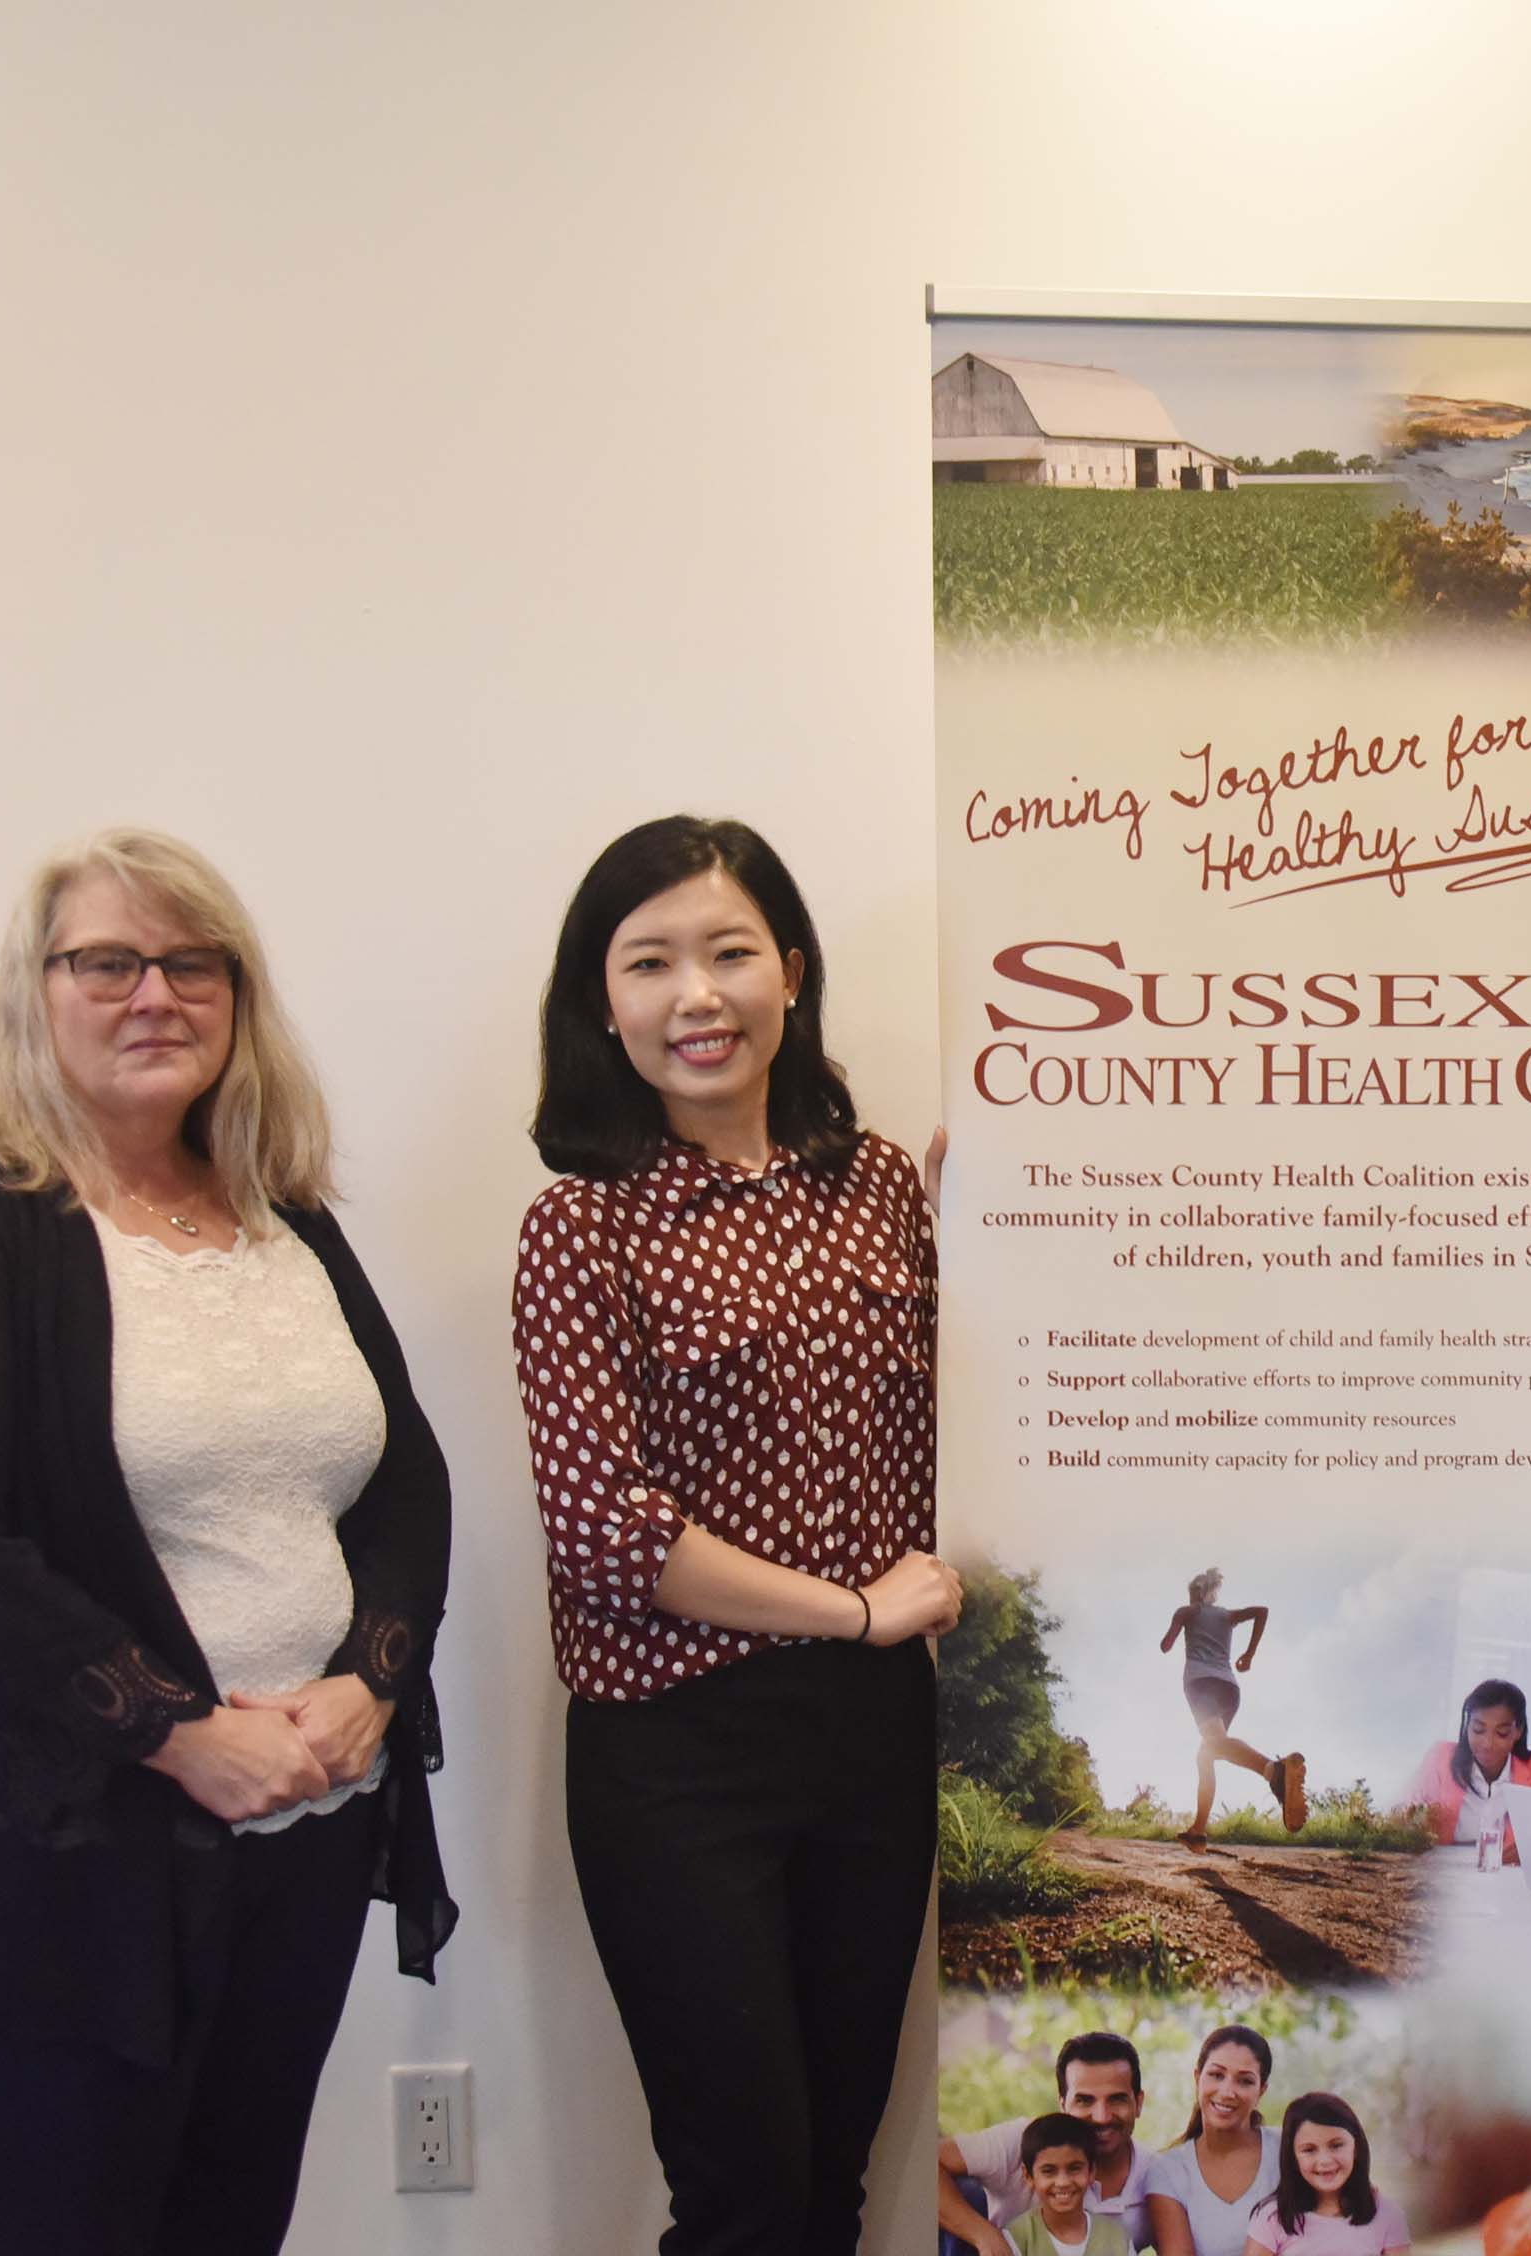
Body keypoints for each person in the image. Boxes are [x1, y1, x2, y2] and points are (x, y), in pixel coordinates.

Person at [0, 829, 454, 2254]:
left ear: (240, 998)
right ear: (36, 994)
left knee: (228, 2224)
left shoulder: (284, 1221)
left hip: (302, 1825)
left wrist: (371, 1680)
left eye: (190, 963)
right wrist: (180, 1733)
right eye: (107, 961)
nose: (152, 993)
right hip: (64, 1844)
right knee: (64, 2228)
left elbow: (405, 1481)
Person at [514, 814, 965, 2254]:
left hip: (873, 1742)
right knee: (742, 2187)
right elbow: (602, 1525)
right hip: (679, 1755)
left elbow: (986, 1408)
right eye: (648, 962)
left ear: (792, 969)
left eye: (726, 952)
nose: (693, 995)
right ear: (604, 1003)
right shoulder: (580, 1227)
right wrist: (849, 1610)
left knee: (834, 2171)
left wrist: (1039, 1221)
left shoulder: (889, 1187)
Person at [940, 2033, 1158, 2256]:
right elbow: (928, 2163)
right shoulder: (1024, 2140)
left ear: (1138, 2103)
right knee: (965, 2191)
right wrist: (983, 2236)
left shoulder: (1159, 2176)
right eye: (1085, 2100)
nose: (1101, 2117)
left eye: (1116, 2099)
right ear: (1062, 2104)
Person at [1162, 1568, 1304, 1847]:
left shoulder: (1187, 1612)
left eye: (1192, 1595)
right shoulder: (1226, 1615)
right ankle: (1198, 1830)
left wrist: (1176, 1627)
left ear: (1198, 1594)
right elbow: (1261, 1611)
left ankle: (1274, 1771)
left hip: (1200, 1683)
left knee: (1215, 1742)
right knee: (1207, 1754)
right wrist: (1249, 1655)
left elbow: (1166, 1645)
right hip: (1229, 1689)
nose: (1191, 1600)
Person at [1145, 2027, 1281, 2256]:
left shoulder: (1288, 2150)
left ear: (1261, 2091)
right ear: (1197, 2078)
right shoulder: (1168, 2171)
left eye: (1245, 2081)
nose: (1228, 2092)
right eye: (1217, 2075)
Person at [1400, 1680, 1531, 1857]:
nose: (1487, 1744)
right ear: (1467, 1727)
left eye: (1501, 1733)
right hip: (1442, 1866)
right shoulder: (1440, 1758)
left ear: (1518, 1731)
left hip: (1506, 1872)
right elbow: (1406, 1815)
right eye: (1478, 1730)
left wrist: (1529, 1850)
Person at [1245, 2094, 1409, 2256]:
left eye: (1336, 2145)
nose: (1324, 2161)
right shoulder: (1272, 2218)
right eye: (1309, 2150)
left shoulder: (1388, 2216)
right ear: (1293, 2157)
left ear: (1356, 2147)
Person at [1002, 2117, 1134, 2256]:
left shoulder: (1117, 2238)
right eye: (1048, 2171)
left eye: (1074, 2168)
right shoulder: (1017, 2238)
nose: (1063, 2182)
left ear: (1091, 2171)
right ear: (1028, 2176)